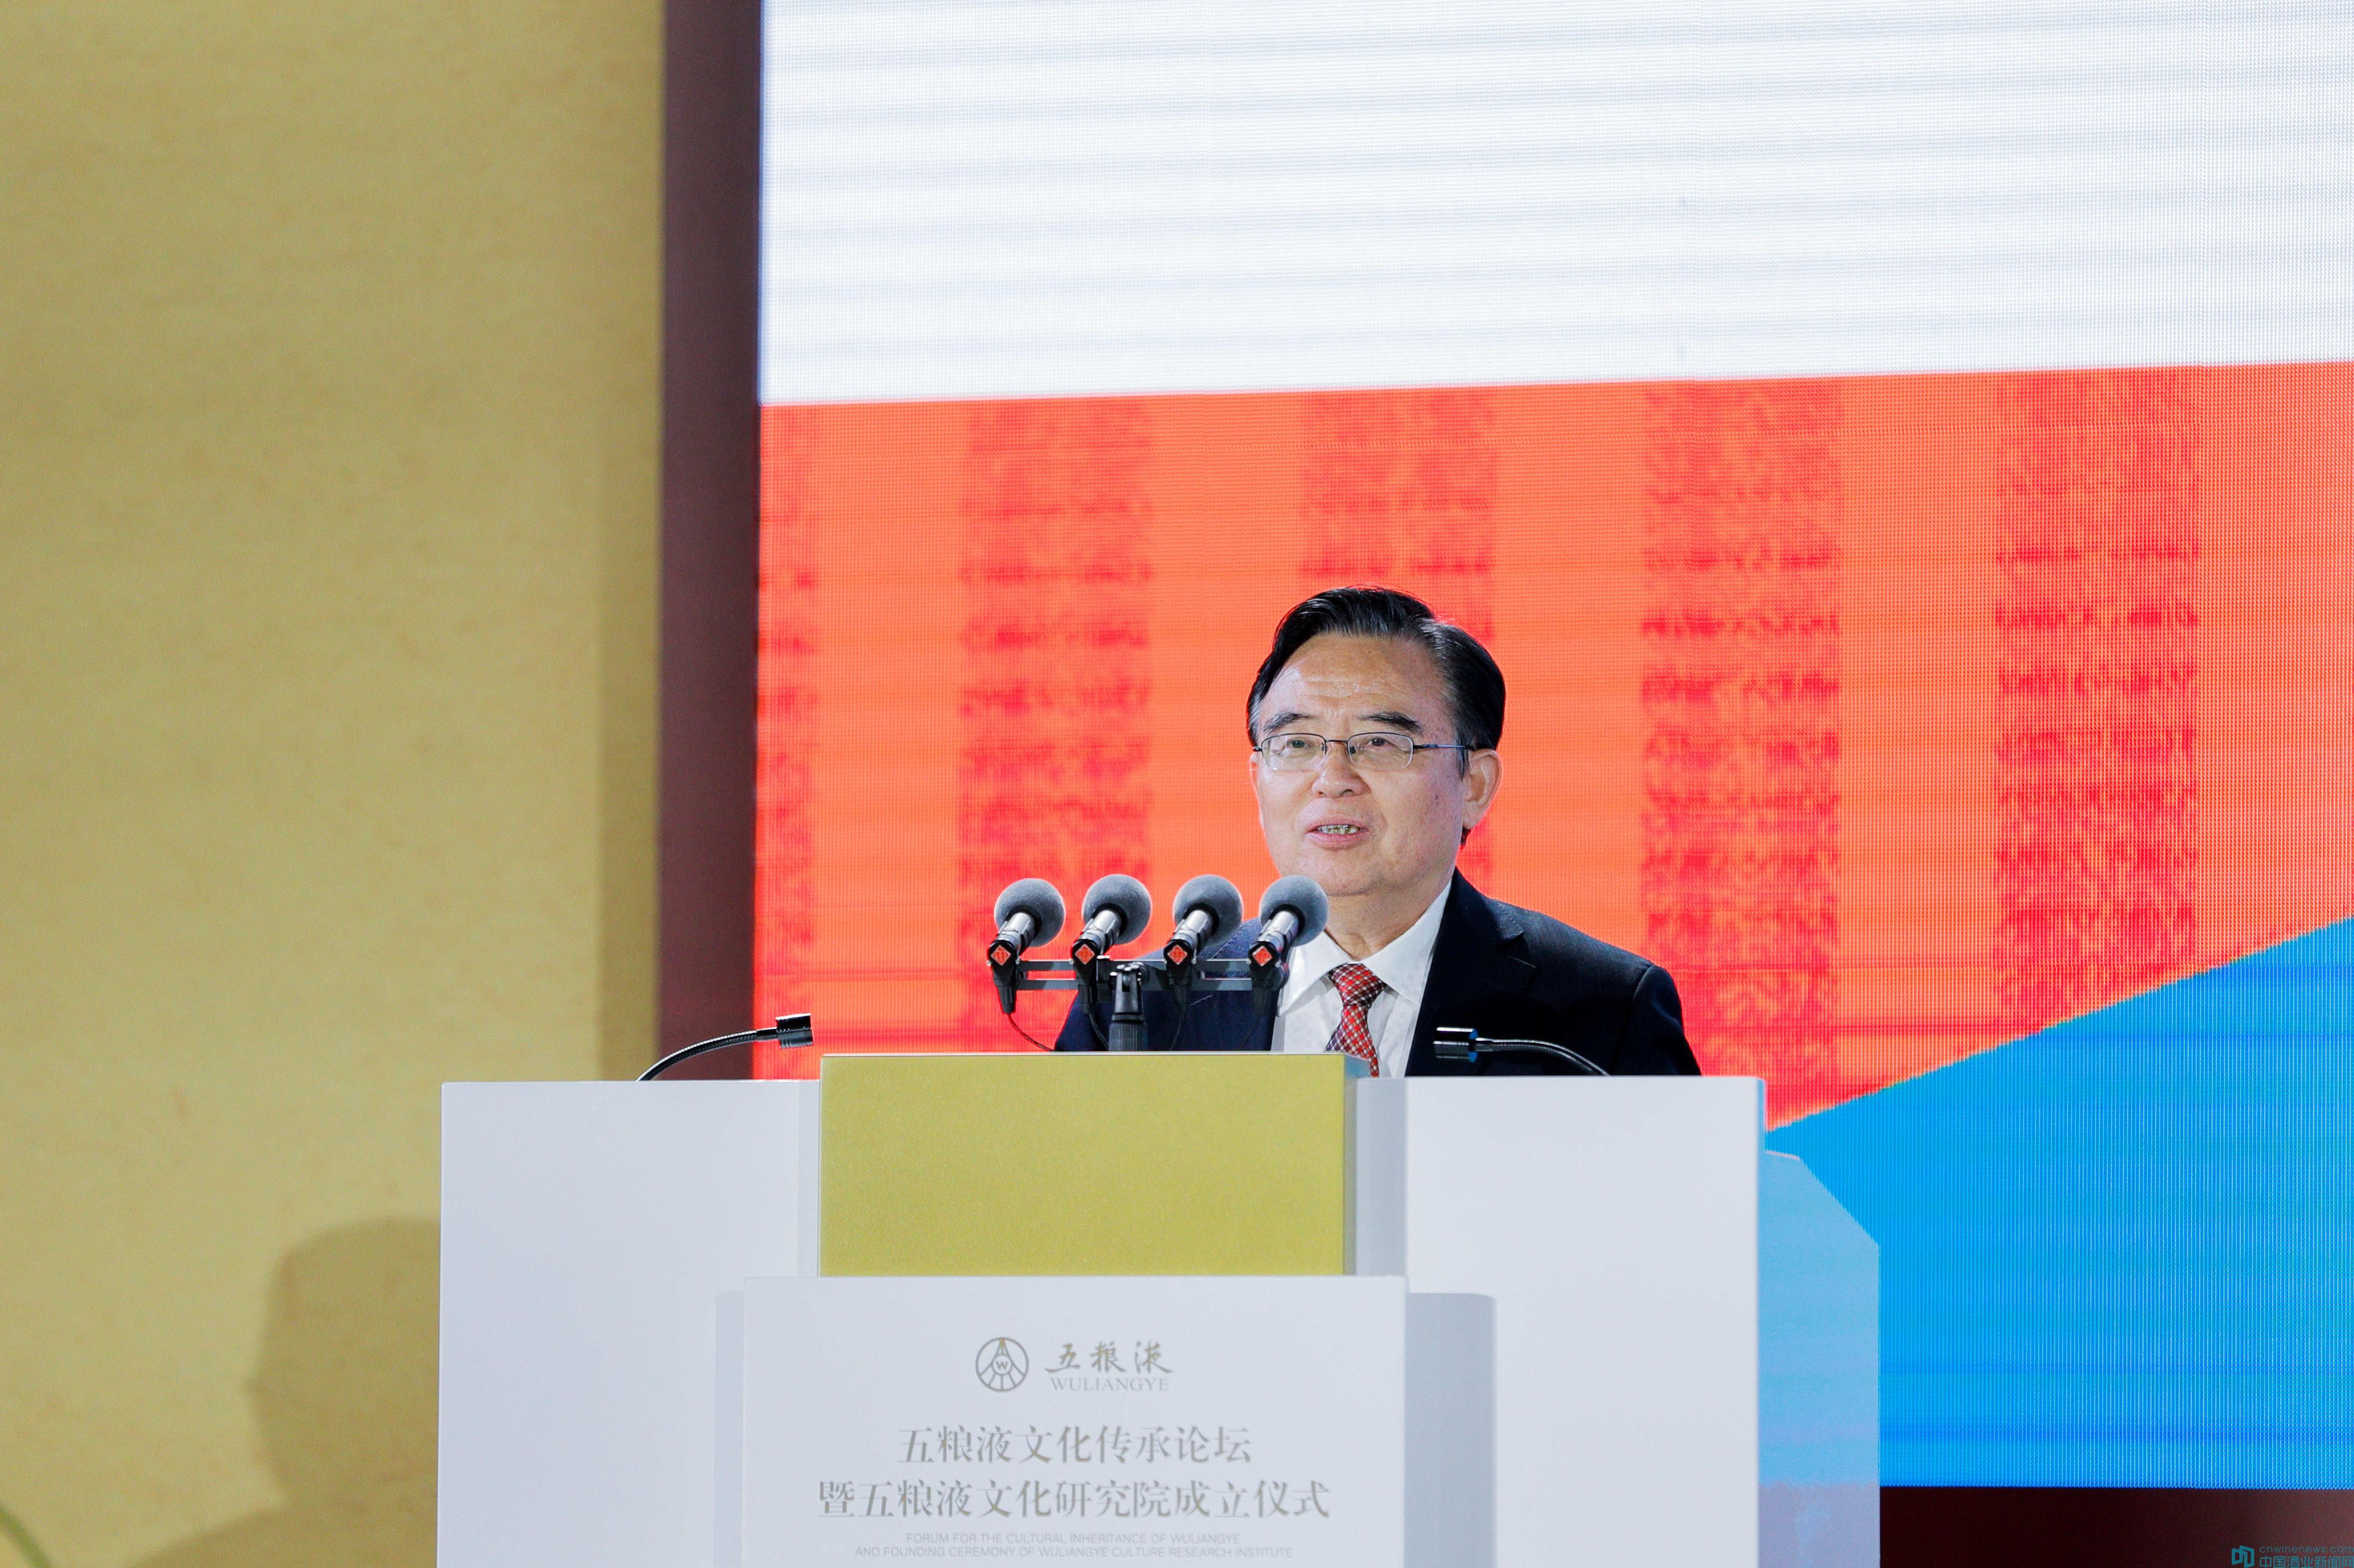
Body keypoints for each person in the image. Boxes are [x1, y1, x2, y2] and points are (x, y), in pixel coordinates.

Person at [1056, 585, 1699, 1076]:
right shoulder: (1138, 1009)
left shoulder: (1601, 1010)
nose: (1332, 778)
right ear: (1257, 779)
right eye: (1297, 743)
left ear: (1474, 785)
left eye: (1380, 742)